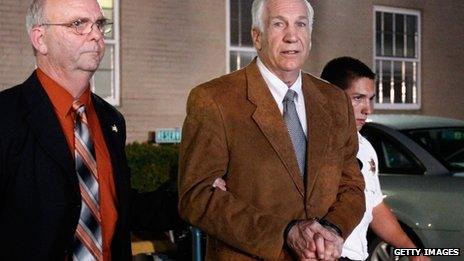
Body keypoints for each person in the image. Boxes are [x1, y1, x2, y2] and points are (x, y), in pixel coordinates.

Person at [178, 0, 365, 260]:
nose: (292, 36)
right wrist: (285, 232)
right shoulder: (214, 100)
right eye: (279, 24)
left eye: (300, 24)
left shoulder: (334, 101)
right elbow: (196, 197)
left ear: (309, 37)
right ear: (257, 36)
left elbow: (351, 185)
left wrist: (332, 230)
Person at [0, 0, 172, 260]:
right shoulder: (6, 116)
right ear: (40, 38)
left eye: (100, 24)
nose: (95, 35)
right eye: (78, 24)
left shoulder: (111, 121)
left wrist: (196, 194)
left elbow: (119, 207)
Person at [320, 57, 430, 261]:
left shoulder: (365, 147)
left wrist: (412, 250)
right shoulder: (311, 145)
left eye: (370, 99)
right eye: (357, 98)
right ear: (330, 96)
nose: (367, 109)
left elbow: (374, 205)